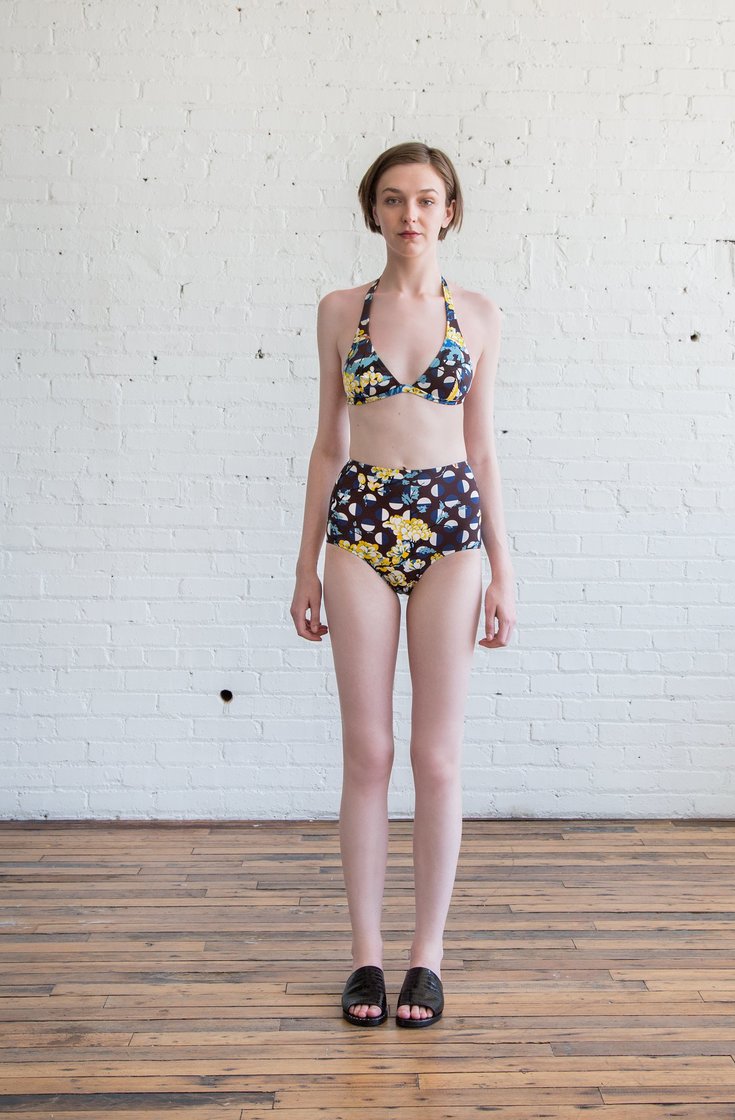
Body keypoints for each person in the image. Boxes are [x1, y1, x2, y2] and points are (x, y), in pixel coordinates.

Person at [290, 141, 515, 1029]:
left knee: (437, 756)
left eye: (425, 199)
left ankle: (427, 957)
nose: (409, 214)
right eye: (392, 199)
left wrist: (504, 571)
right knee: (369, 752)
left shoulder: (480, 315)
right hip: (359, 530)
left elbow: (484, 449)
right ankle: (366, 957)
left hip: (453, 535)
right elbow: (327, 443)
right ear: (372, 210)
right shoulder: (340, 310)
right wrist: (303, 564)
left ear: (449, 211)